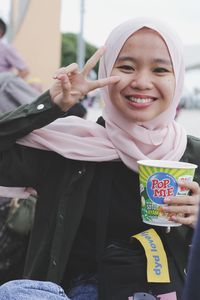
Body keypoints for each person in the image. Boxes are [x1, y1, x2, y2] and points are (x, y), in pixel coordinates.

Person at [0, 17, 200, 300]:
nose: (142, 82)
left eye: (160, 70)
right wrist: (49, 105)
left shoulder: (192, 156)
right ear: (106, 72)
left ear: (177, 77)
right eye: (127, 67)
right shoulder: (68, 147)